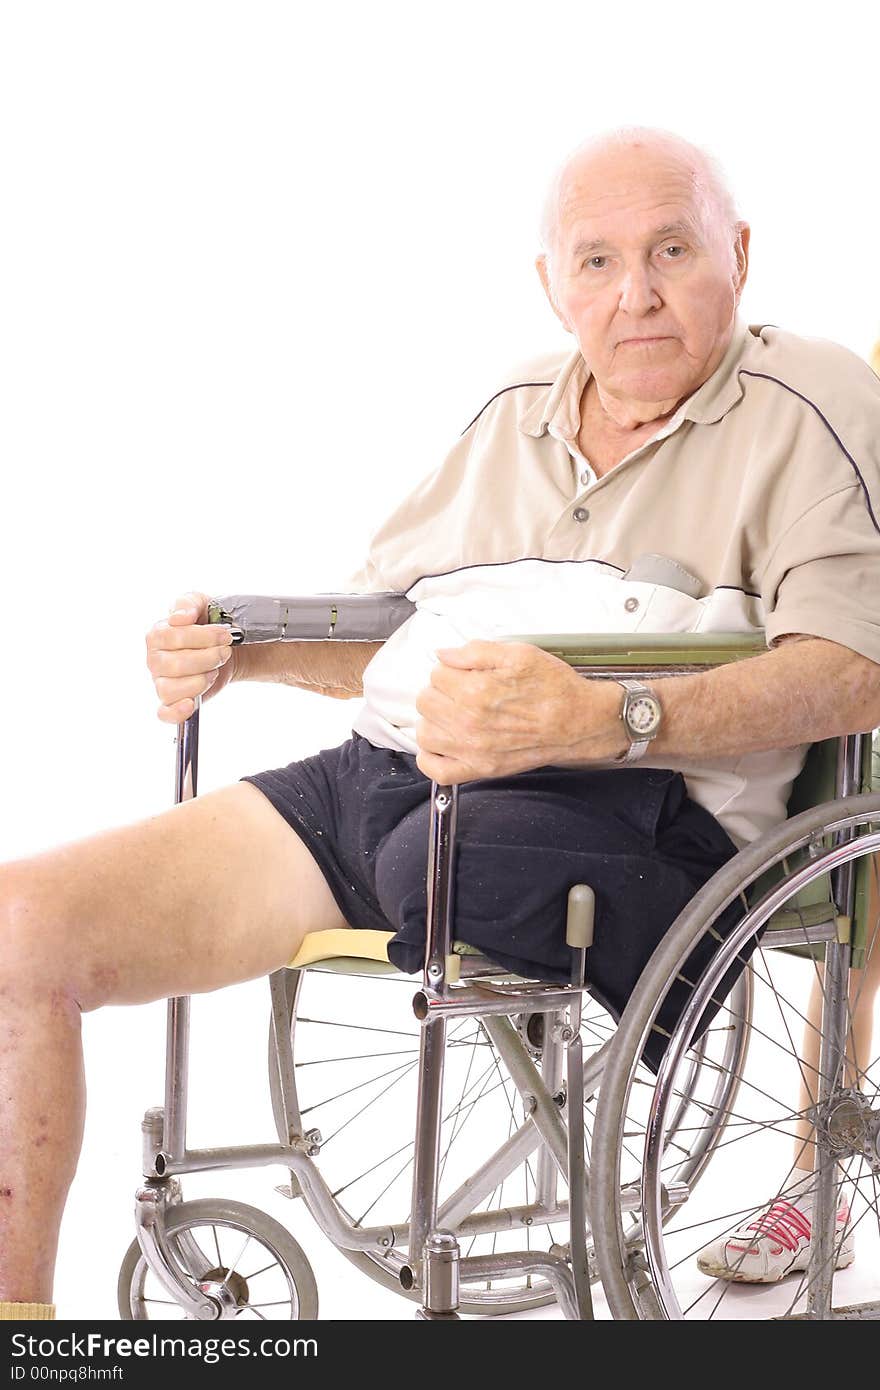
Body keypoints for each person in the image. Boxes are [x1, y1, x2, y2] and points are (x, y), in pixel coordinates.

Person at [2, 126, 880, 1321]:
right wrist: (241, 652)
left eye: (673, 250)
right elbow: (398, 627)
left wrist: (599, 716)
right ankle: (24, 1327)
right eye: (596, 261)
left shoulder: (814, 402)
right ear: (548, 282)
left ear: (737, 252)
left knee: (428, 862)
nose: (636, 295)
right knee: (23, 930)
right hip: (389, 782)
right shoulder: (517, 404)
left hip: (637, 810)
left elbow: (851, 668)